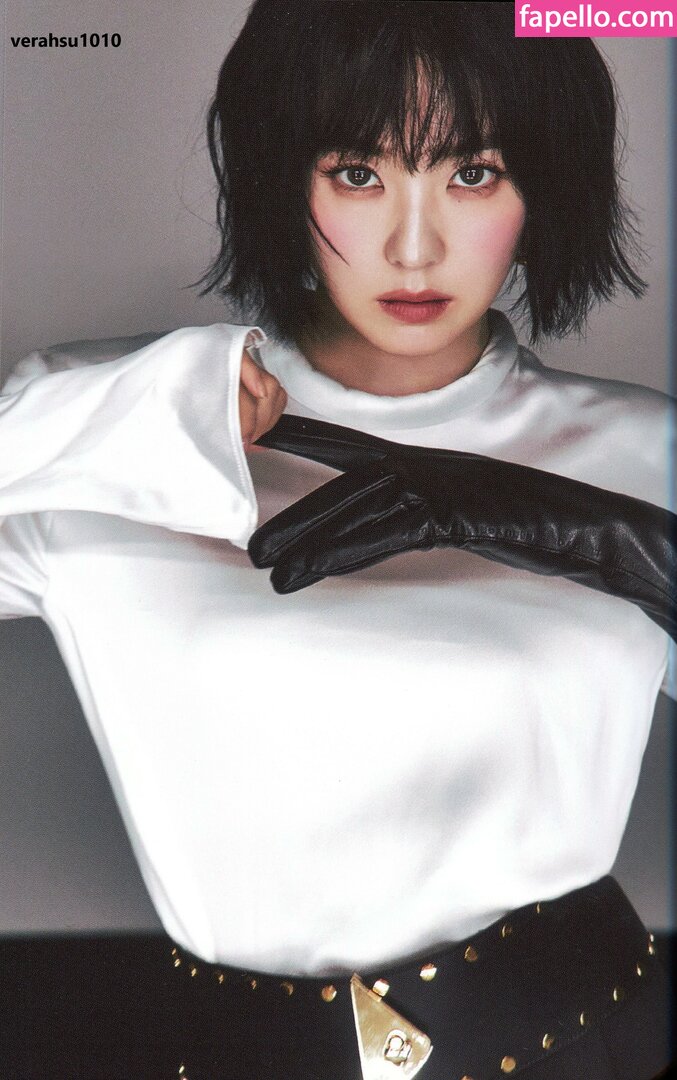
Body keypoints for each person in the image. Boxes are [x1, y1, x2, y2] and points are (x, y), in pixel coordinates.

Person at [0, 2, 673, 1077]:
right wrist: (155, 413)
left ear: (545, 183)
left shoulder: (642, 452)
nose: (414, 246)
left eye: (473, 173)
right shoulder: (102, 429)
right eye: (358, 174)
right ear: (283, 175)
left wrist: (606, 535)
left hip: (585, 1046)